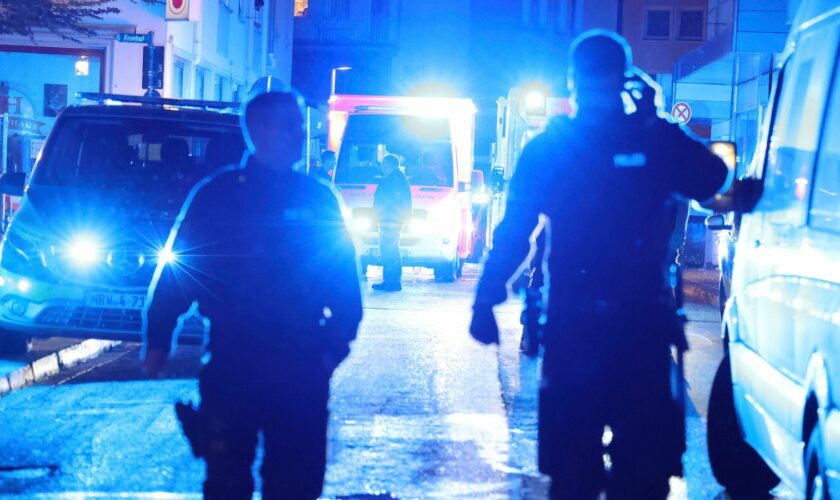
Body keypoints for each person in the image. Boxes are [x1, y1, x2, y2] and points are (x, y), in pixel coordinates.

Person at [470, 30, 742, 499]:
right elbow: (713, 177)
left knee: (572, 472)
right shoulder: (654, 140)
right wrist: (654, 118)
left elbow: (516, 232)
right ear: (625, 78)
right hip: (642, 325)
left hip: (574, 325)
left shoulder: (550, 147)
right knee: (644, 474)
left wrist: (486, 298)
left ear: (572, 82)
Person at [142, 79, 363, 499]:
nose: (302, 134)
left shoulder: (317, 199)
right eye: (291, 126)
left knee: (296, 483)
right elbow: (181, 274)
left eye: (301, 126)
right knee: (227, 480)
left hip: (300, 360)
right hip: (235, 359)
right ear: (259, 131)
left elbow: (344, 286)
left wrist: (333, 347)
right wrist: (157, 340)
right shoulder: (218, 196)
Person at [372, 153, 412, 291]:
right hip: (389, 220)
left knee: (390, 251)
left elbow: (393, 201)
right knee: (389, 250)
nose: (382, 167)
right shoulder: (395, 178)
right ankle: (390, 280)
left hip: (390, 220)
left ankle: (392, 281)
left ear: (390, 164)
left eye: (384, 164)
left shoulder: (395, 179)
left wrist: (387, 217)